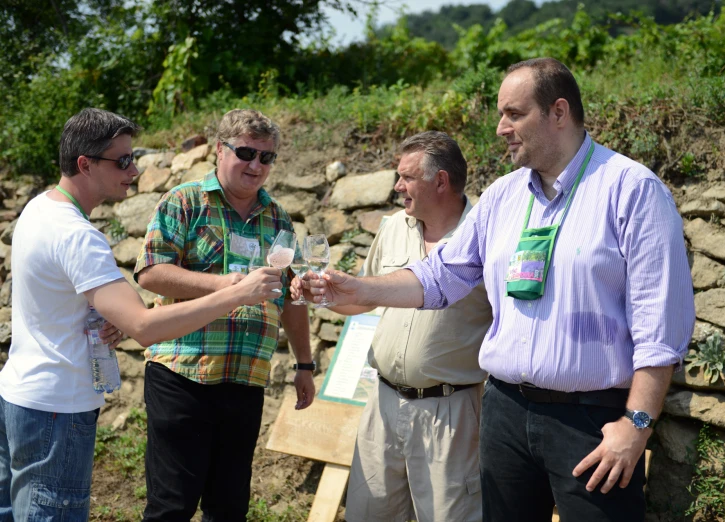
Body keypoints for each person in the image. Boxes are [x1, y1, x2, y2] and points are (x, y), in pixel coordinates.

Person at [294, 58, 695, 522]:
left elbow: (659, 326)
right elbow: (439, 277)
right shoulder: (504, 196)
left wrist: (637, 425)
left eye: (514, 113)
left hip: (589, 420)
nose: (501, 127)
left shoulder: (632, 190)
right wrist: (356, 287)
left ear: (558, 112)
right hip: (504, 412)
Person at [0, 108, 283, 522]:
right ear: (85, 164)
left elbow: (55, 300)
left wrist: (101, 315)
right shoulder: (79, 237)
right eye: (123, 160)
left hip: (23, 395)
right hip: (58, 408)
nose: (134, 170)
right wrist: (236, 292)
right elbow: (146, 328)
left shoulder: (39, 209)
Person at [134, 108, 315, 522]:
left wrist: (305, 363)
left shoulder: (278, 218)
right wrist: (227, 287)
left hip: (245, 379)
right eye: (246, 152)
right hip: (182, 373)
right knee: (171, 507)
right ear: (219, 149)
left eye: (265, 157)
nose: (256, 165)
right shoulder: (183, 200)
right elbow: (151, 272)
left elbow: (293, 297)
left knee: (229, 509)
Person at [329, 131, 491, 522]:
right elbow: (363, 296)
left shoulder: (486, 231)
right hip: (382, 406)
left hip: (449, 412)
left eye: (406, 177)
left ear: (440, 181)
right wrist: (325, 294)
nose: (397, 186)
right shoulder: (392, 227)